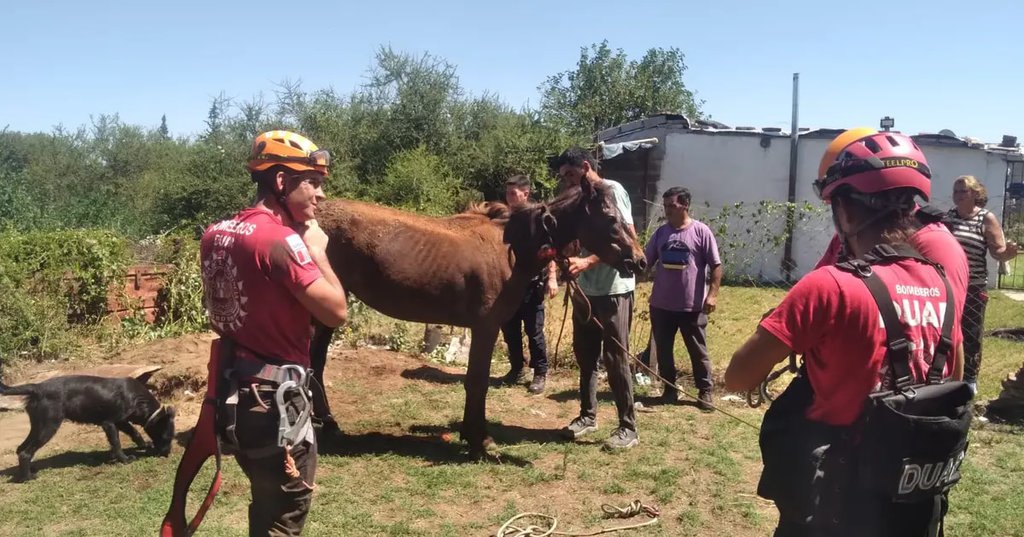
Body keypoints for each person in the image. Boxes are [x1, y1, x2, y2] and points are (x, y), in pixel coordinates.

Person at [726, 131, 966, 536]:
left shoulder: (829, 286)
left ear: (846, 211)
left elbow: (738, 376)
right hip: (911, 498)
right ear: (910, 206)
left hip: (834, 501)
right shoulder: (941, 286)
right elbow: (952, 375)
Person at [199, 130, 348, 535]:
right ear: (281, 181)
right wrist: (316, 251)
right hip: (276, 402)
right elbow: (336, 312)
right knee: (287, 508)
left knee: (266, 499)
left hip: (235, 394)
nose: (319, 195)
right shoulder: (282, 242)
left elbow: (221, 311)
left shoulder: (216, 233)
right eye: (311, 183)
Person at [555, 146, 640, 450]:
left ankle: (628, 427)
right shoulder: (577, 198)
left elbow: (627, 238)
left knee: (615, 357)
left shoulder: (611, 191)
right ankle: (587, 416)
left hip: (614, 288)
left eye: (571, 173)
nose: (567, 180)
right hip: (585, 290)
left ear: (586, 166)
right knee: (585, 355)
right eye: (564, 176)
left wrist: (587, 262)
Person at [644, 186, 722, 411]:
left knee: (697, 350)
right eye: (666, 206)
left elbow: (716, 266)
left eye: (672, 206)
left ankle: (705, 391)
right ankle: (670, 389)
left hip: (692, 306)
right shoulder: (660, 233)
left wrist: (713, 295)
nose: (667, 210)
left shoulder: (701, 232)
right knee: (664, 349)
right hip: (661, 305)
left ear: (685, 205)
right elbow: (646, 262)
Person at [944, 175, 1019, 394]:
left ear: (975, 194)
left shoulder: (986, 219)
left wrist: (1009, 253)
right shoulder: (949, 218)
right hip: (949, 283)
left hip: (974, 285)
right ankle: (947, 374)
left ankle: (969, 380)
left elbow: (998, 252)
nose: (957, 196)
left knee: (971, 333)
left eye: (962, 191)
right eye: (955, 191)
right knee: (947, 330)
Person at [498, 174, 559, 394]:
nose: (510, 198)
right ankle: (516, 368)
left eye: (514, 193)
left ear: (526, 193)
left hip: (532, 284)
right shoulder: (503, 219)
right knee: (510, 328)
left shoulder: (538, 218)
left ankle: (540, 373)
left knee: (534, 331)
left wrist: (552, 277)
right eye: (508, 193)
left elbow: (550, 250)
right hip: (508, 284)